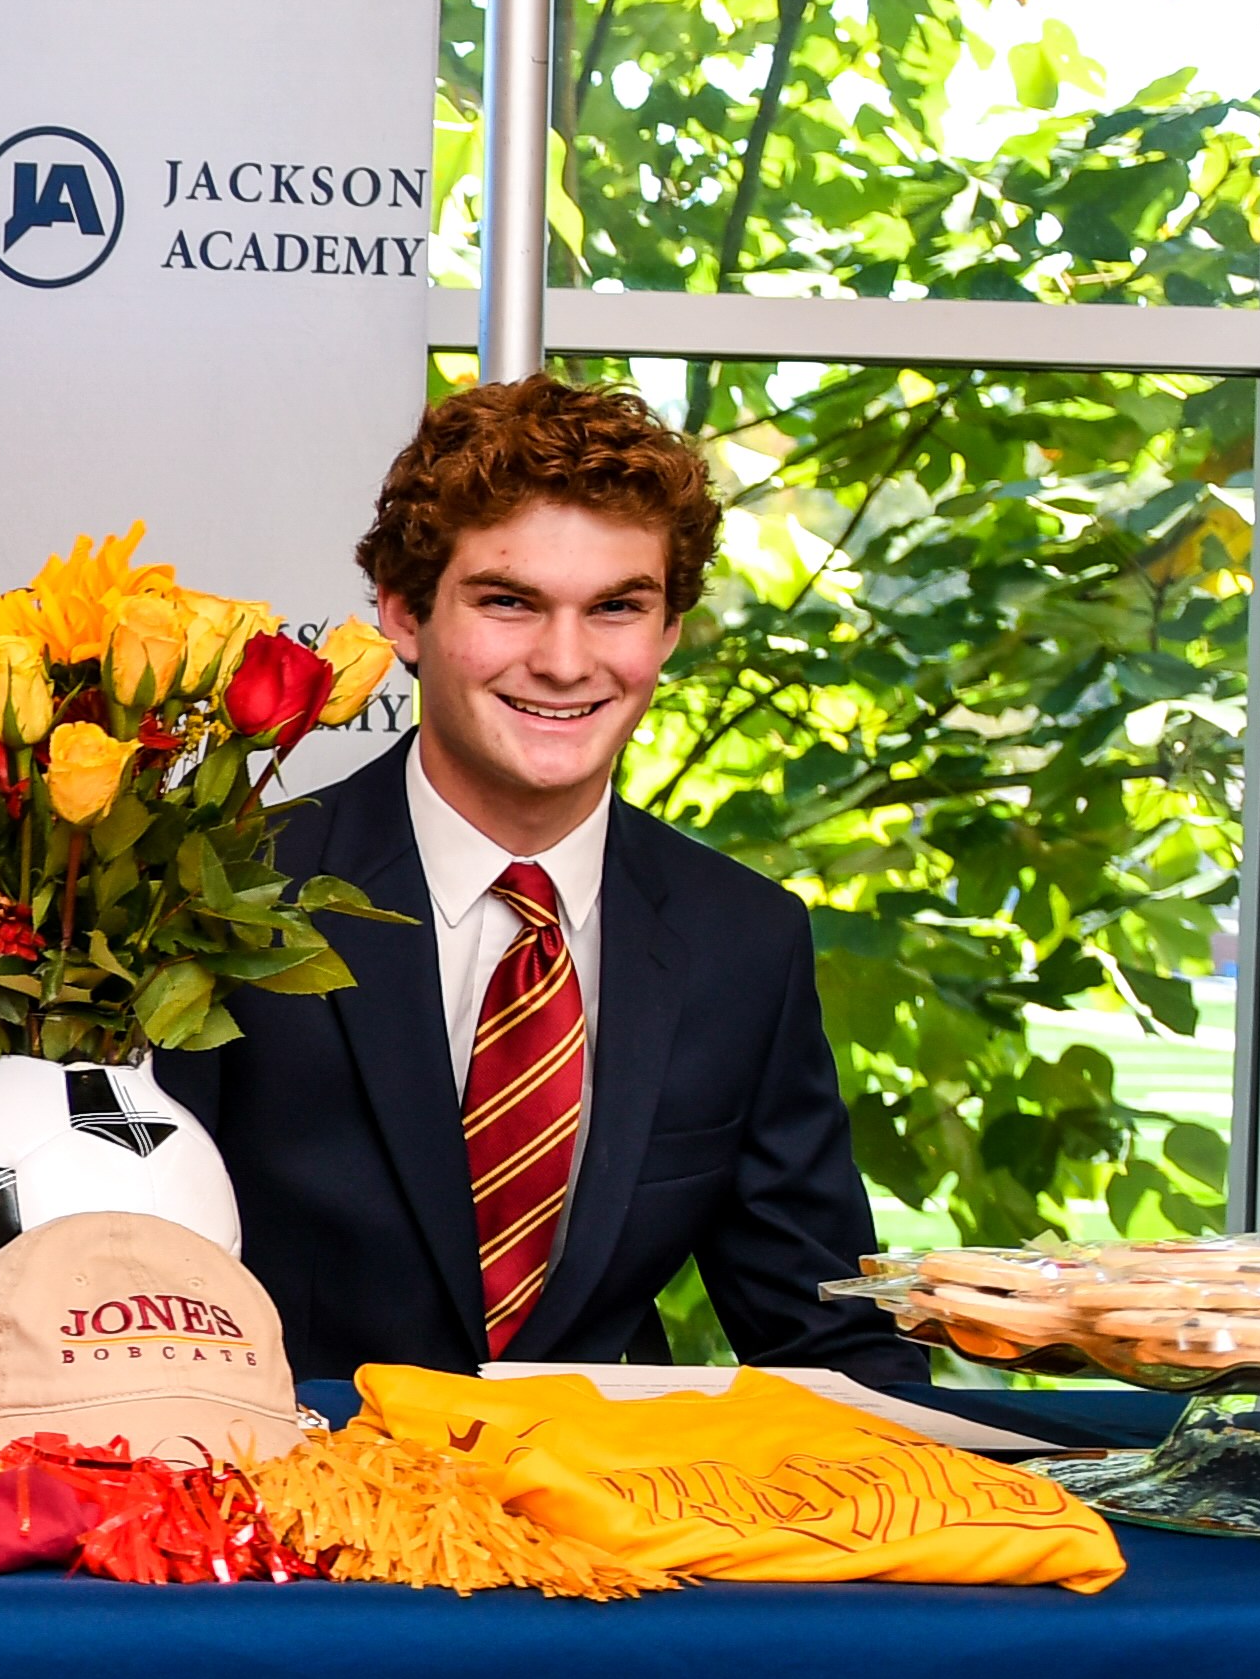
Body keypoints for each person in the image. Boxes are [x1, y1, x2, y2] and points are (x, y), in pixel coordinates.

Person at [160, 375, 905, 1378]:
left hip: (589, 1472)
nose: (564, 661)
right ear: (403, 615)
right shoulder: (216, 891)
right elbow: (115, 1290)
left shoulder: (742, 938)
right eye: (510, 602)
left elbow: (829, 1339)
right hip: (274, 1465)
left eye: (617, 607)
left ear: (668, 632)